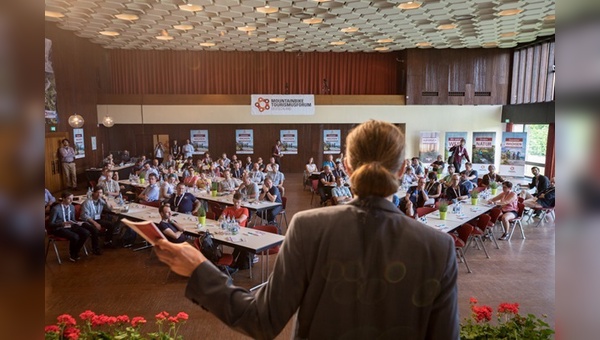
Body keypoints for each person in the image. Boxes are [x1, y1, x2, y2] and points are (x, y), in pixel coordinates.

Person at [154, 120, 458, 339]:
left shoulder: (309, 228)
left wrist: (200, 270)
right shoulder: (438, 247)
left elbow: (261, 321)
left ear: (347, 166)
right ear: (403, 169)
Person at [48, 192, 90, 262]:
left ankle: (76, 251)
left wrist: (77, 222)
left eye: (72, 199)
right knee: (75, 236)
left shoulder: (72, 207)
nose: (71, 200)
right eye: (69, 199)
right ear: (63, 199)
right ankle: (73, 254)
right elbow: (51, 224)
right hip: (59, 228)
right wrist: (62, 224)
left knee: (86, 233)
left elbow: (72, 219)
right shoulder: (56, 209)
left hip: (70, 225)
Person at [80, 186, 116, 254]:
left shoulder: (101, 201)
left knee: (111, 225)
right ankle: (95, 248)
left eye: (101, 193)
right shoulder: (87, 202)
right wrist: (94, 223)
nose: (99, 194)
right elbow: (84, 216)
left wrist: (106, 200)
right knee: (94, 229)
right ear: (93, 193)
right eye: (98, 192)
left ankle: (107, 242)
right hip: (88, 221)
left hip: (97, 219)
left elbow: (109, 209)